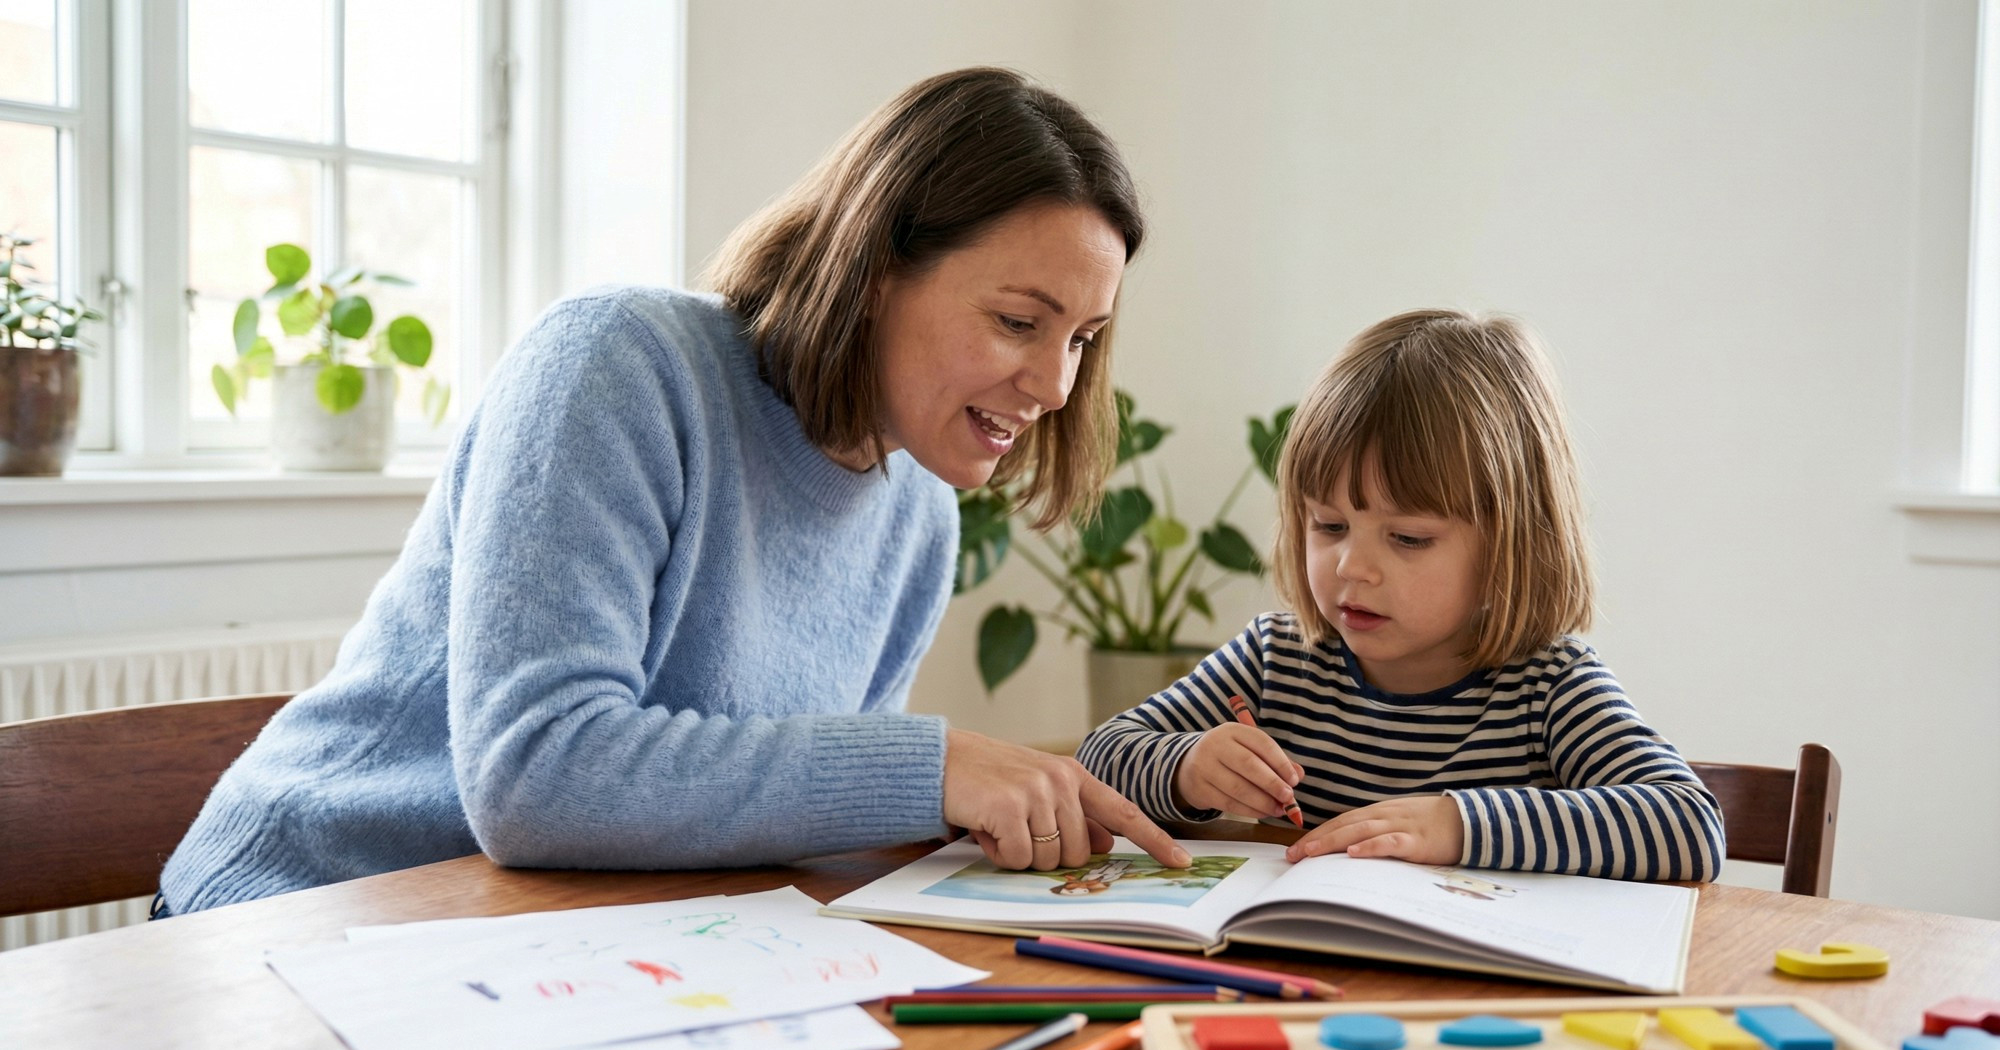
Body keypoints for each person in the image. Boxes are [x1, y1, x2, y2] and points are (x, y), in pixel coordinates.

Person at [158, 67, 1189, 917]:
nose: (1055, 386)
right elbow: (537, 775)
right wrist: (926, 767)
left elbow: (771, 809)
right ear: (876, 268)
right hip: (300, 916)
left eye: (1082, 340)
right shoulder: (619, 362)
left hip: (556, 947)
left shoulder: (916, 510)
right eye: (1018, 321)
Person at [1076, 310, 1724, 881]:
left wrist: (1458, 827)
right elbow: (1099, 758)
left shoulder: (1548, 687)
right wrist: (1186, 768)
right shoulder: (1278, 659)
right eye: (1328, 526)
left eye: (1408, 538)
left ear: (1512, 544)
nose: (1353, 567)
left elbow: (1689, 823)